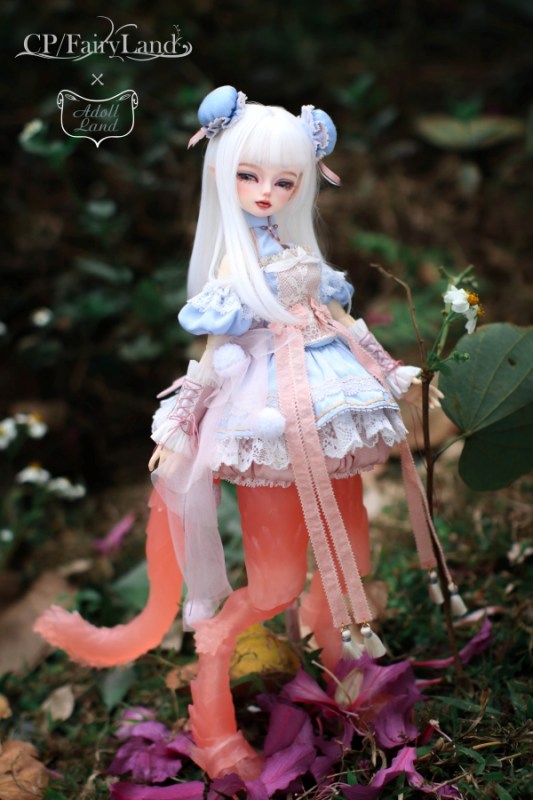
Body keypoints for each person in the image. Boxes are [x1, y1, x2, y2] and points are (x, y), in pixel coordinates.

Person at [34, 86, 464, 780]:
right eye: (249, 175)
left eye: (283, 181)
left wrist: (390, 371)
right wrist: (179, 426)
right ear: (222, 171)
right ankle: (212, 711)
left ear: (302, 184)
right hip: (265, 416)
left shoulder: (296, 252)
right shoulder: (233, 273)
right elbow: (213, 358)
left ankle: (339, 667)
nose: (265, 192)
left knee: (350, 553)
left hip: (327, 404)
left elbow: (341, 323)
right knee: (273, 584)